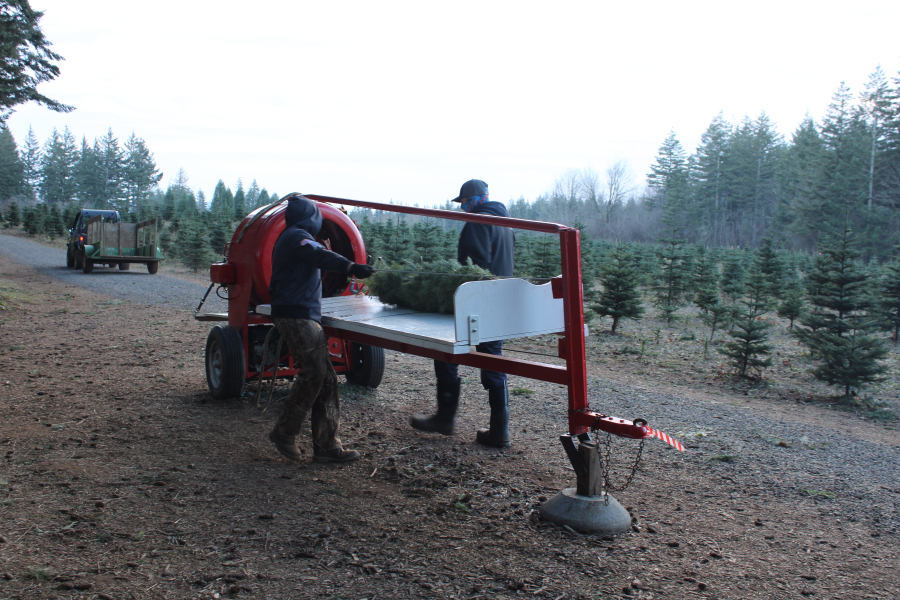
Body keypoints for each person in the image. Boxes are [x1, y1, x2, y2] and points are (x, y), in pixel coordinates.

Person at [268, 194, 375, 463]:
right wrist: (350, 266)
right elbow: (317, 254)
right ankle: (284, 432)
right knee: (315, 372)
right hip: (295, 315)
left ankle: (327, 447)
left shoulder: (294, 235)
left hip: (301, 314)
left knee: (326, 379)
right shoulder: (297, 236)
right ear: (311, 218)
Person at [411, 179, 515, 447]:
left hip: (478, 301)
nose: (463, 207)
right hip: (500, 298)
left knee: (446, 350)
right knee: (493, 359)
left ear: (475, 199)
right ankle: (499, 431)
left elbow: (472, 268)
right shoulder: (506, 223)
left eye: (464, 202)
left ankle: (445, 418)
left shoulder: (477, 222)